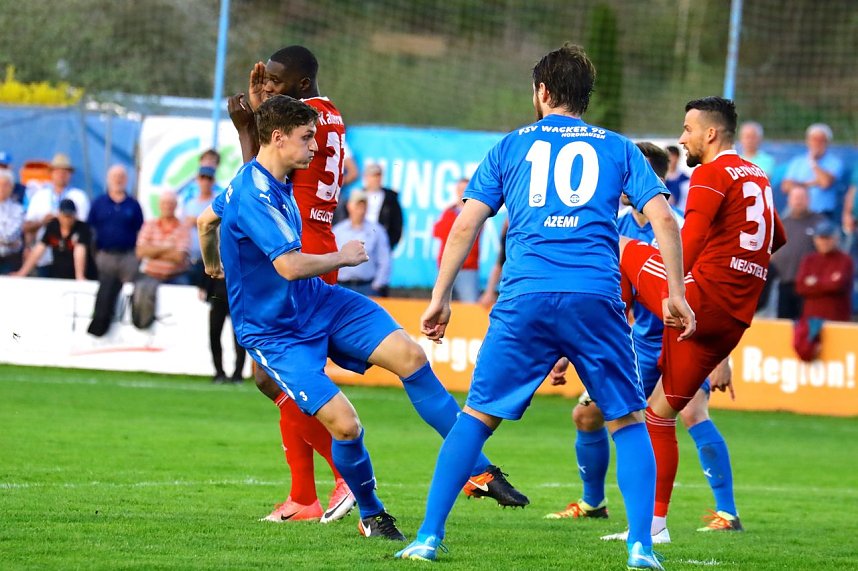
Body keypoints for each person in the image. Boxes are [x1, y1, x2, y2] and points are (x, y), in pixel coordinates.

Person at [395, 44, 693, 570]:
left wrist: (441, 297)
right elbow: (665, 220)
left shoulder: (510, 146)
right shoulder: (619, 148)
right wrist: (676, 292)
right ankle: (642, 548)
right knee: (627, 420)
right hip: (594, 297)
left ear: (542, 92)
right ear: (585, 95)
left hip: (525, 296)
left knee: (476, 417)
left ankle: (427, 537)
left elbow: (467, 224)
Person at [547, 143, 740, 544]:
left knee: (692, 413)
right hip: (640, 347)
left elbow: (712, 293)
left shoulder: (679, 227)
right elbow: (606, 295)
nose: (620, 182)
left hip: (683, 340)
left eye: (628, 175)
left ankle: (727, 512)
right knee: (586, 415)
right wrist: (567, 349)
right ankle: (593, 503)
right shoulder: (614, 226)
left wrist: (723, 357)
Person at [615, 96, 785, 542]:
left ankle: (594, 334)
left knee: (618, 245)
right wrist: (738, 269)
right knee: (659, 415)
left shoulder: (711, 173)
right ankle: (654, 528)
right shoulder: (758, 176)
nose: (682, 137)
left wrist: (678, 295)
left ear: (711, 133)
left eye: (688, 129)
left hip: (697, 302)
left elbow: (685, 242)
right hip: (733, 318)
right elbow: (776, 237)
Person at [227, 44, 356, 523]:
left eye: (277, 83)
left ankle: (343, 475)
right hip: (311, 241)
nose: (268, 89)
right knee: (275, 376)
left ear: (302, 84)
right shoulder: (328, 114)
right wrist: (264, 112)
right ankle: (303, 497)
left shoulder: (304, 122)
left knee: (275, 375)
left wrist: (249, 127)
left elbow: (257, 181)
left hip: (296, 250)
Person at [86, 165, 144, 336]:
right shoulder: (99, 203)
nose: (118, 180)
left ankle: (129, 328)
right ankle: (100, 324)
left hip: (128, 257)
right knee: (105, 288)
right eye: (115, 176)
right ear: (108, 179)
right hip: (105, 255)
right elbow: (90, 230)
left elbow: (140, 230)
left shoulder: (133, 205)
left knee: (128, 291)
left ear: (126, 180)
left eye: (121, 176)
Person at [792, 219, 854, 359]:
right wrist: (827, 282)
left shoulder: (845, 260)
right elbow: (800, 287)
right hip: (811, 322)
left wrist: (815, 283)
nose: (824, 242)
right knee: (804, 350)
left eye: (827, 238)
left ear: (836, 239)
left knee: (837, 359)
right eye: (821, 238)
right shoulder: (809, 259)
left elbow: (838, 285)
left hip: (836, 322)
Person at [22, 153, 89, 277]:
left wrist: (64, 220)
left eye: (65, 172)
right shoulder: (40, 196)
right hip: (42, 257)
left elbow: (82, 227)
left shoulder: (79, 196)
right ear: (51, 173)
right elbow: (27, 226)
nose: (61, 175)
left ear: (70, 174)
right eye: (58, 171)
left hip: (70, 258)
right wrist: (42, 222)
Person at [131, 191, 190, 329]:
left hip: (176, 276)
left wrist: (153, 251)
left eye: (170, 204)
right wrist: (167, 248)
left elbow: (179, 257)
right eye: (164, 203)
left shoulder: (183, 228)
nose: (167, 206)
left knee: (185, 298)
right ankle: (143, 324)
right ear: (159, 206)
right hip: (150, 274)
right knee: (140, 293)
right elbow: (140, 252)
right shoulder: (149, 225)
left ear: (175, 206)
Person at [770, 186, 825, 319]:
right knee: (783, 324)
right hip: (783, 282)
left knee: (805, 324)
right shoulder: (782, 223)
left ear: (809, 200)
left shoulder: (819, 222)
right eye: (795, 198)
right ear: (789, 200)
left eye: (802, 198)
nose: (798, 201)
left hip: (809, 286)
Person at [14, 198, 93, 280]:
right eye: (65, 216)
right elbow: (39, 249)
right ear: (59, 214)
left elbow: (79, 251)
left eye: (70, 216)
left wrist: (80, 276)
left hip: (81, 276)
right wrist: (22, 273)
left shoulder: (82, 228)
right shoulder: (53, 226)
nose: (67, 220)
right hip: (59, 275)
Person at [332, 190, 391, 296]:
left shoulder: (377, 230)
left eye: (363, 206)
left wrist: (377, 285)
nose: (360, 210)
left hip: (367, 286)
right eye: (357, 206)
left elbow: (384, 260)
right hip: (342, 286)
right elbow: (331, 258)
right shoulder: (338, 231)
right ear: (349, 206)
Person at [780, 123, 844, 219]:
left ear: (827, 143)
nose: (817, 144)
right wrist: (814, 183)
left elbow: (825, 183)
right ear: (808, 141)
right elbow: (785, 187)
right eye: (814, 139)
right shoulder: (797, 161)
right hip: (796, 212)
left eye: (821, 140)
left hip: (821, 213)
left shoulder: (835, 162)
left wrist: (813, 162)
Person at [433, 177, 481, 302]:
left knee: (470, 305)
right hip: (446, 267)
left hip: (467, 267)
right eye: (460, 189)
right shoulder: (448, 211)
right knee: (439, 303)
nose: (462, 193)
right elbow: (438, 232)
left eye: (465, 189)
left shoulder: (477, 212)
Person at [204, 276, 247, 383]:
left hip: (238, 295)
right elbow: (208, 269)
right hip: (218, 294)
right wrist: (204, 287)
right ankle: (219, 372)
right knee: (214, 333)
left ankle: (238, 374)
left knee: (239, 337)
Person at [182, 165, 219, 287]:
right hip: (190, 260)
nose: (205, 182)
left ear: (213, 181)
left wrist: (197, 221)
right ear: (198, 180)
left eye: (209, 178)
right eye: (203, 177)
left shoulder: (217, 202)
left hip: (210, 260)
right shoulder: (189, 204)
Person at [0, 169, 25, 274]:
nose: (2, 188)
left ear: (11, 187)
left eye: (5, 185)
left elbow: (10, 236)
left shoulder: (18, 209)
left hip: (9, 260)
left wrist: (7, 240)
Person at [664, 145, 690, 210]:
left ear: (677, 158)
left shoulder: (685, 180)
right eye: (667, 156)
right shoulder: (658, 179)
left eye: (672, 156)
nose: (670, 159)